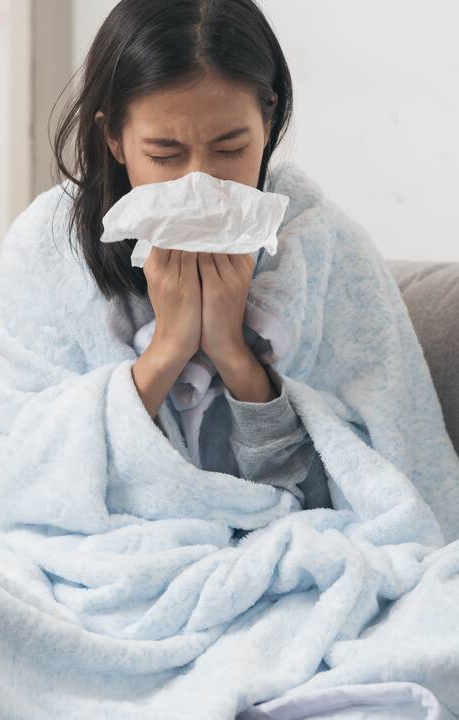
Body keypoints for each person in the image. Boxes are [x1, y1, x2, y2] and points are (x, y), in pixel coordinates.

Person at [49, 0, 329, 511]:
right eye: (164, 155)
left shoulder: (313, 238)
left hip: (279, 537)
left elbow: (352, 486)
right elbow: (40, 483)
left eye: (229, 150)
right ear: (113, 137)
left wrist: (234, 353)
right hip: (116, 547)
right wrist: (169, 346)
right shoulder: (48, 246)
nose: (198, 184)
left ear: (267, 123)